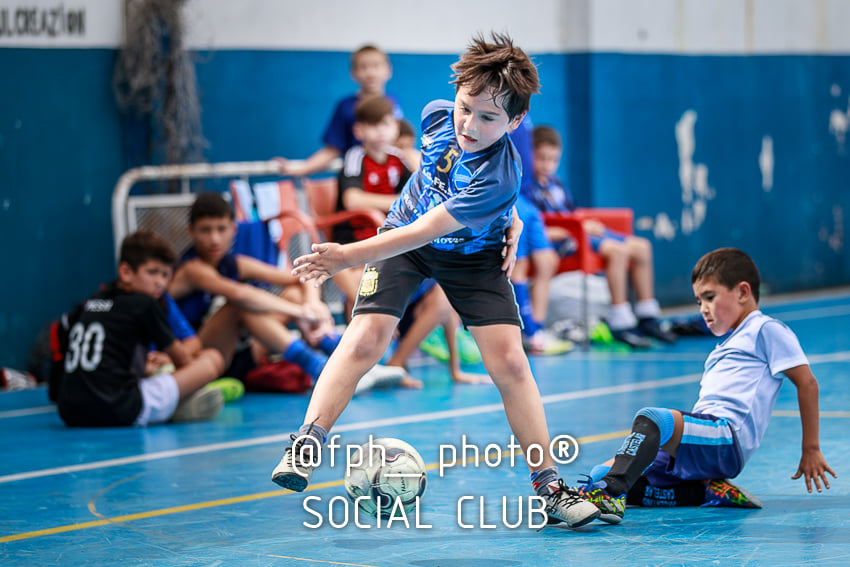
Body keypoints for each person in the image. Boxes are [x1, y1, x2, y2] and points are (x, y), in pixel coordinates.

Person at [271, 32, 601, 528]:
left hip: (468, 256)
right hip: (403, 233)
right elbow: (422, 174)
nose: (469, 124)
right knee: (364, 340)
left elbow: (430, 228)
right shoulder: (432, 115)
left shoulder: (501, 178)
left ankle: (550, 487)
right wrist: (506, 215)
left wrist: (345, 257)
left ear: (515, 122)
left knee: (511, 361)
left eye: (489, 118)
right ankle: (307, 440)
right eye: (466, 108)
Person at [572, 247, 836, 524]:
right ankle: (704, 491)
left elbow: (807, 383)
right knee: (599, 474)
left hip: (726, 437)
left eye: (709, 297)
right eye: (699, 301)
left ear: (743, 292)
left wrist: (811, 448)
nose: (703, 309)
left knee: (654, 419)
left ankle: (610, 494)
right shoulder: (726, 344)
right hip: (702, 439)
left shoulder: (765, 329)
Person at [167, 192, 405, 393]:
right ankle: (323, 369)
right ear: (191, 231)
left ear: (233, 229)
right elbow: (240, 295)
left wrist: (313, 305)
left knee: (293, 293)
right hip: (194, 356)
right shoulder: (192, 269)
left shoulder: (234, 263)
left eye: (221, 229)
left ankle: (348, 359)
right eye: (205, 230)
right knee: (239, 306)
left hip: (239, 352)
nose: (214, 238)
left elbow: (300, 276)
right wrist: (302, 312)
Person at [332, 95, 487, 385]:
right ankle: (361, 369)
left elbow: (430, 183)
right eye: (371, 125)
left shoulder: (400, 158)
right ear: (359, 131)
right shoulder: (355, 158)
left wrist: (417, 159)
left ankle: (398, 364)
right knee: (360, 290)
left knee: (444, 297)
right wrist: (398, 201)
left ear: (395, 127)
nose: (379, 131)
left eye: (386, 124)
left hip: (400, 249)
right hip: (360, 251)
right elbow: (352, 200)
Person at [526, 125, 677, 348]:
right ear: (530, 155)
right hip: (565, 242)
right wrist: (579, 228)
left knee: (642, 247)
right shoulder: (527, 188)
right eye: (541, 158)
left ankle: (647, 316)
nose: (547, 165)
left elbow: (570, 212)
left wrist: (585, 224)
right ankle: (620, 320)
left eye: (553, 160)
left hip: (580, 233)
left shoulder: (556, 185)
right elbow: (540, 226)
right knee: (617, 250)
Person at [57, 230, 226, 427]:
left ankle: (171, 406)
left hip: (70, 411)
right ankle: (177, 407)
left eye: (165, 275)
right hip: (120, 409)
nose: (160, 282)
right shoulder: (144, 304)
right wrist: (181, 376)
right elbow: (183, 360)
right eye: (152, 272)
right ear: (126, 272)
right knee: (211, 359)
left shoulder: (91, 302)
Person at [276, 45, 403, 178]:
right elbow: (333, 148)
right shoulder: (346, 107)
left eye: (376, 66)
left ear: (388, 70)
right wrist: (300, 169)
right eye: (363, 67)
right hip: (360, 177)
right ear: (353, 73)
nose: (370, 73)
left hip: (391, 178)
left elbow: (402, 144)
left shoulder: (393, 102)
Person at [509, 116, 573, 355]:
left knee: (547, 262)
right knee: (520, 266)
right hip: (511, 197)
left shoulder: (524, 117)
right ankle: (529, 333)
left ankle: (538, 327)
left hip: (527, 202)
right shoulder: (497, 108)